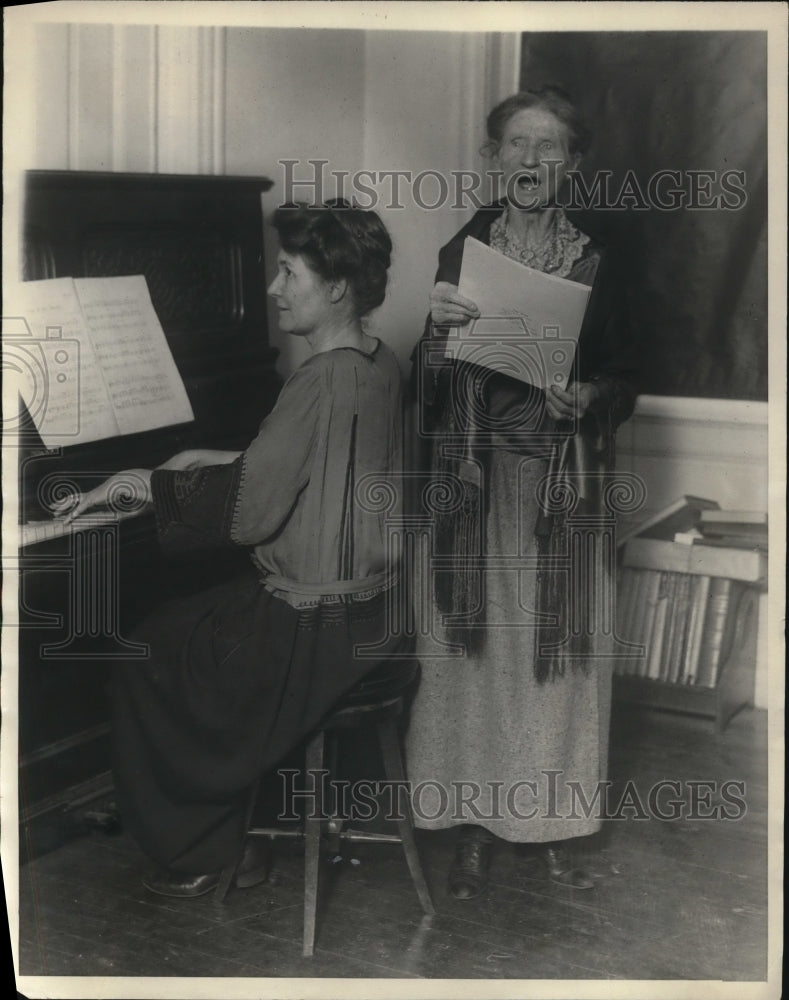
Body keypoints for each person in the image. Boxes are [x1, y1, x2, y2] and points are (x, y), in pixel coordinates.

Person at [62, 201, 410, 897]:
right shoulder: (376, 360)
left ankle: (210, 848)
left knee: (149, 649)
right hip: (372, 615)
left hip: (310, 629)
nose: (275, 288)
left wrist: (151, 485)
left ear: (336, 286)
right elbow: (316, 460)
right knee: (185, 627)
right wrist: (195, 459)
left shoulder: (317, 377)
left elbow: (251, 515)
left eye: (288, 272)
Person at [405, 87, 639, 900]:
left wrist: (592, 395)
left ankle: (543, 825)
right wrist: (432, 339)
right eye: (515, 144)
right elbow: (422, 385)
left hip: (559, 488)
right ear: (492, 157)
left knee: (556, 663)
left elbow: (628, 378)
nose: (529, 161)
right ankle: (472, 822)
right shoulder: (458, 250)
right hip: (474, 490)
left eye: (548, 147)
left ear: (572, 165)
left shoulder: (604, 257)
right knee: (474, 660)